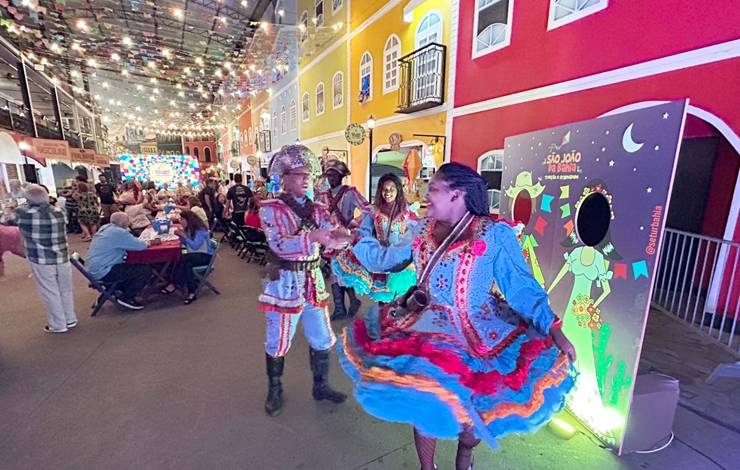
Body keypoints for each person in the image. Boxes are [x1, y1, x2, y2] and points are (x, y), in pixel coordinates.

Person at [336, 163, 577, 470]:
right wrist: (353, 239)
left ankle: (465, 457)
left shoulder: (493, 234)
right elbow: (385, 260)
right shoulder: (421, 229)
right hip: (425, 330)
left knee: (474, 413)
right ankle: (428, 467)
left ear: (457, 194)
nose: (426, 195)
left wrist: (553, 327)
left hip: (478, 331)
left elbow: (520, 287)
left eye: (434, 189)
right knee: (426, 405)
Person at [259, 144, 351, 417]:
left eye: (308, 173)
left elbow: (329, 239)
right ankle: (274, 389)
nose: (306, 177)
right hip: (284, 282)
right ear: (284, 178)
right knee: (278, 340)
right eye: (299, 173)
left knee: (322, 338)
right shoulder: (270, 209)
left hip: (313, 280)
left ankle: (320, 386)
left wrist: (342, 239)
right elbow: (278, 245)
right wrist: (313, 237)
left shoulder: (320, 208)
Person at [332, 173, 419, 303]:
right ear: (380, 191)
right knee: (382, 297)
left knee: (400, 297)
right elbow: (364, 230)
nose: (387, 193)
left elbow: (415, 232)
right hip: (379, 257)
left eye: (391, 189)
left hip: (400, 258)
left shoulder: (407, 212)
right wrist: (358, 241)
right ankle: (383, 319)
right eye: (384, 189)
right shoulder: (374, 211)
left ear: (398, 191)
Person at [14, 184, 78, 333]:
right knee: (66, 289)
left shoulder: (23, 213)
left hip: (41, 259)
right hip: (62, 256)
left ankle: (58, 324)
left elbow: (7, 216)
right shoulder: (60, 211)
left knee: (50, 291)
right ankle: (70, 319)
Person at [317, 159, 370, 320]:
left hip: (345, 241)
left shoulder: (350, 192)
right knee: (338, 273)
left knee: (340, 272)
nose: (330, 178)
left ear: (341, 175)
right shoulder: (322, 195)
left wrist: (354, 226)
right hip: (328, 240)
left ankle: (344, 306)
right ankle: (348, 304)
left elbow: (367, 209)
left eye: (334, 174)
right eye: (328, 174)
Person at [86, 212, 155, 310]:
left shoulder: (105, 228)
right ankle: (126, 297)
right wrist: (151, 242)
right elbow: (141, 246)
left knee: (129, 266)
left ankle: (110, 293)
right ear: (124, 223)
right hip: (105, 271)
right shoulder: (119, 232)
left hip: (93, 269)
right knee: (145, 269)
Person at [160, 209, 214, 304]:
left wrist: (184, 236)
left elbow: (195, 246)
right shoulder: (190, 229)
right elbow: (188, 244)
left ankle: (174, 283)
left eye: (182, 219)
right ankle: (191, 292)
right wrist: (182, 238)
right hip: (195, 255)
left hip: (205, 256)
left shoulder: (200, 230)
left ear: (188, 220)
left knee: (184, 258)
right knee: (187, 264)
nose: (180, 221)